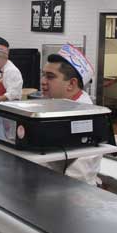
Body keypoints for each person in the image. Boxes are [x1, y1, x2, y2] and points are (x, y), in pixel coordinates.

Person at [41, 44, 101, 186]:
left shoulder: (87, 117)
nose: (43, 81)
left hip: (72, 195)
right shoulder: (57, 105)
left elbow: (78, 175)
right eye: (43, 75)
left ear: (71, 84)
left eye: (50, 77)